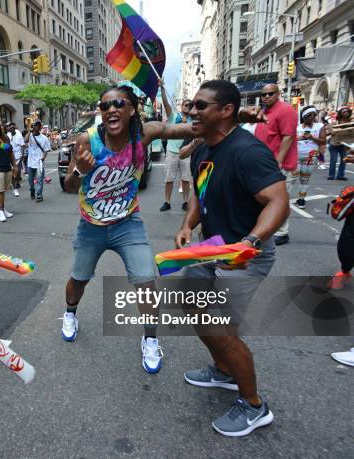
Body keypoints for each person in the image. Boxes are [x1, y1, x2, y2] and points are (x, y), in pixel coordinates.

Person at [61, 84, 243, 374]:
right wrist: (80, 171)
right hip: (91, 227)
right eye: (105, 106)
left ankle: (149, 338)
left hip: (127, 224)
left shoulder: (143, 134)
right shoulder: (88, 140)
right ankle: (70, 313)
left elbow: (189, 130)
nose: (111, 110)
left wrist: (239, 114)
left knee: (145, 282)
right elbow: (70, 187)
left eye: (118, 103)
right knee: (79, 279)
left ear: (132, 109)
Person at [175, 80, 289, 436]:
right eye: (192, 105)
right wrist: (187, 224)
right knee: (191, 303)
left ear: (226, 111)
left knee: (222, 330)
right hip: (211, 247)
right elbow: (200, 190)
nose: (193, 111)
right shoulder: (201, 150)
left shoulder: (247, 151)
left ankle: (255, 405)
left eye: (201, 106)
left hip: (245, 254)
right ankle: (222, 372)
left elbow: (278, 202)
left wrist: (250, 242)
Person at [254, 84, 298, 245]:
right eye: (263, 94)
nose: (266, 96)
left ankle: (282, 231)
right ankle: (270, 228)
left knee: (280, 199)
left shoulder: (286, 110)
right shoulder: (265, 111)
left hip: (281, 166)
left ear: (278, 94)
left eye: (270, 93)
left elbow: (288, 137)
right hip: (265, 164)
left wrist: (279, 161)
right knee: (267, 199)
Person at [159, 82, 192, 211]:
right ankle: (167, 202)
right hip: (172, 152)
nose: (188, 106)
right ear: (181, 106)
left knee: (185, 179)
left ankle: (185, 202)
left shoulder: (193, 120)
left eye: (190, 105)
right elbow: (166, 104)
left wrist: (186, 124)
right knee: (169, 179)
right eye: (185, 104)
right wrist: (162, 88)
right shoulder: (173, 116)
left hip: (186, 152)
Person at [294, 106, 326, 208]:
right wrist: (299, 138)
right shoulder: (297, 127)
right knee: (291, 178)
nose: (312, 117)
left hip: (311, 156)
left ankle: (301, 199)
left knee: (305, 179)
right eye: (309, 115)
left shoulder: (320, 126)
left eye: (314, 115)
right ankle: (283, 199)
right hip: (296, 156)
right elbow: (289, 140)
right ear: (304, 117)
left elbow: (323, 141)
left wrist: (312, 137)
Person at [24, 120, 51, 203]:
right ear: (33, 126)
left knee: (39, 179)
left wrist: (43, 157)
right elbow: (25, 141)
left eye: (39, 125)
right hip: (30, 162)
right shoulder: (30, 136)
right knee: (30, 180)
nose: (37, 127)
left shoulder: (44, 138)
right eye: (35, 125)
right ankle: (32, 190)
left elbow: (46, 150)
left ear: (40, 127)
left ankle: (39, 195)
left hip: (39, 162)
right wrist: (29, 131)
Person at [327, 106, 352, 181]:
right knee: (333, 160)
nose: (346, 113)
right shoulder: (335, 122)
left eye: (347, 111)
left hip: (344, 145)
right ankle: (331, 175)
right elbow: (328, 130)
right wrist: (332, 131)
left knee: (344, 160)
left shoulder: (350, 123)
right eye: (344, 112)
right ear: (340, 113)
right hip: (334, 144)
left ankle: (340, 176)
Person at [7, 122, 25, 197]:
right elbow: (5, 145)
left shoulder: (19, 135)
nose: (12, 129)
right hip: (10, 156)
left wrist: (22, 154)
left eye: (13, 128)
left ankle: (17, 181)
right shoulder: (8, 135)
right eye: (10, 128)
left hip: (18, 156)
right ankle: (14, 183)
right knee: (12, 171)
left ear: (15, 128)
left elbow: (22, 145)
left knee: (17, 171)